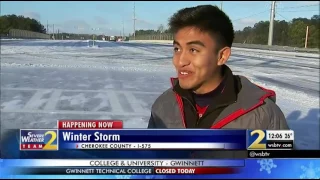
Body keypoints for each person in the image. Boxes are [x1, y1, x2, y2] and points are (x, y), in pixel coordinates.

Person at [148, 5, 290, 131]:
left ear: (222, 56)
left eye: (193, 50)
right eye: (177, 49)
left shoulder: (262, 116)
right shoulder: (163, 106)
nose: (180, 61)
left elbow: (284, 162)